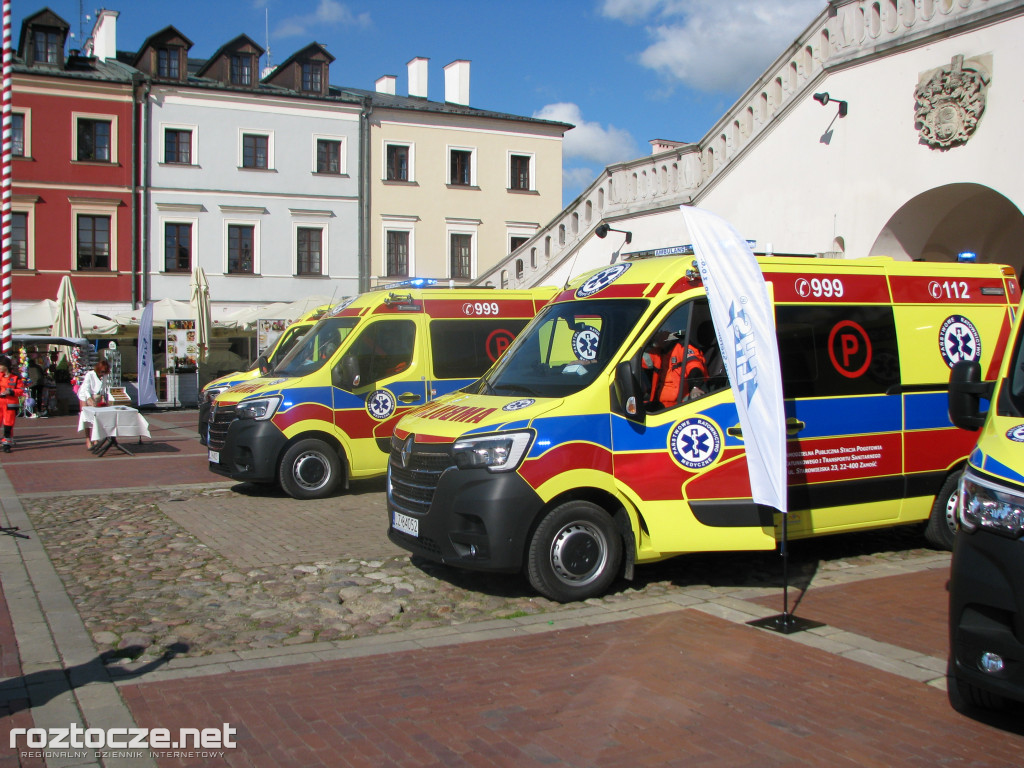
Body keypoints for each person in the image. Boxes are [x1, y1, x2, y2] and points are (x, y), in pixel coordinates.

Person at [78, 360, 111, 449]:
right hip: (85, 395)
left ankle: (95, 438)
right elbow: (86, 389)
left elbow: (104, 388)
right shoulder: (90, 374)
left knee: (96, 417)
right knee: (86, 417)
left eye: (105, 372)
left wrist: (104, 397)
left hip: (96, 395)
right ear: (98, 369)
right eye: (102, 371)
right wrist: (89, 399)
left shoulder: (104, 376)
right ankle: (88, 439)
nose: (103, 374)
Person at [0, 355, 25, 452]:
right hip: (0, 402)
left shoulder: (16, 377)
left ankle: (7, 444)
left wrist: (10, 392)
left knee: (8, 424)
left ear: (5, 366)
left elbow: (20, 390)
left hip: (10, 404)